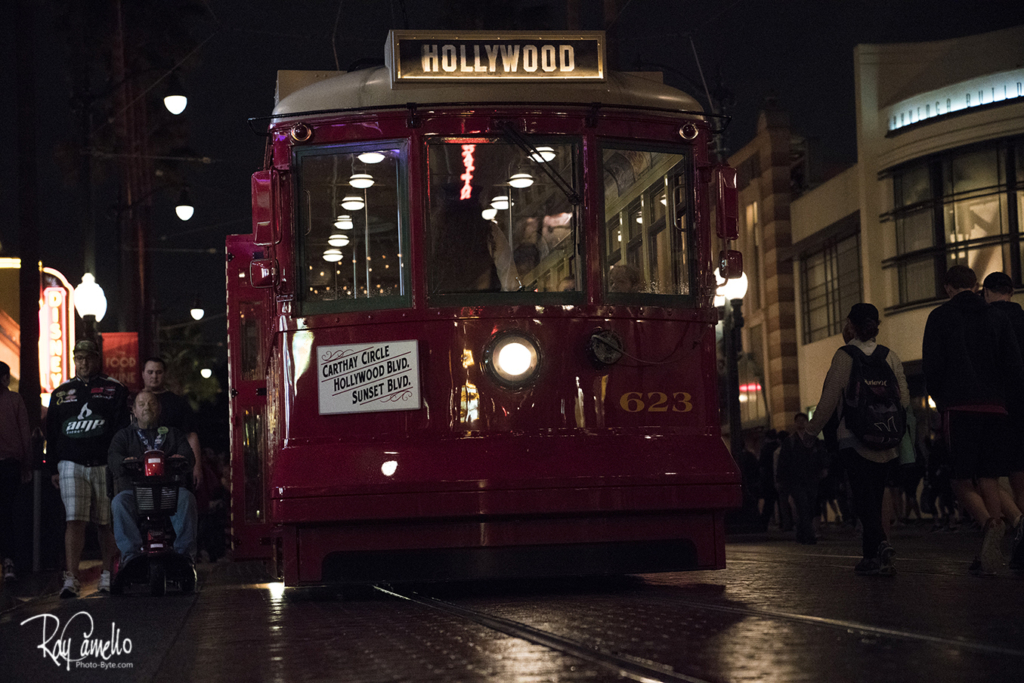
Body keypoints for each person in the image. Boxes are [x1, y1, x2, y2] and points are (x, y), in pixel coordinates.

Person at [923, 265, 1024, 575]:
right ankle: (989, 554)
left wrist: (941, 402)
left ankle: (989, 524)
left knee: (961, 479)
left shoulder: (940, 317)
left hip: (961, 405)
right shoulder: (996, 317)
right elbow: (1013, 365)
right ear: (977, 285)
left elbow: (932, 365)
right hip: (996, 407)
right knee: (990, 476)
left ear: (948, 287)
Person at [806, 303, 909, 575]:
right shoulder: (890, 356)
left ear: (850, 325)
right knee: (874, 497)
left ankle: (882, 544)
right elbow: (905, 400)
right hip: (887, 439)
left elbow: (828, 401)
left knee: (863, 499)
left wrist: (809, 431)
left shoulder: (845, 355)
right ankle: (870, 557)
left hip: (853, 438)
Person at [46, 339, 129, 597]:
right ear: (74, 360)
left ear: (97, 359)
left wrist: (119, 463)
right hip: (70, 464)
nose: (83, 362)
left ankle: (108, 573)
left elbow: (121, 429)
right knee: (75, 519)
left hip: (104, 464)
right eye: (79, 358)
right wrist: (53, 469)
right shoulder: (60, 393)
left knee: (106, 521)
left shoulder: (115, 389)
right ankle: (70, 578)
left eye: (88, 357)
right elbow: (52, 433)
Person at [108, 390, 198, 566]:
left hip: (168, 492)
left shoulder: (173, 434)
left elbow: (188, 455)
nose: (146, 408)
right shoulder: (123, 436)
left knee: (187, 498)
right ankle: (130, 555)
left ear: (159, 408)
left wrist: (180, 460)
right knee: (119, 502)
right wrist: (125, 463)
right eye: (141, 404)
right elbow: (113, 458)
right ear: (133, 410)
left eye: (151, 403)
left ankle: (185, 555)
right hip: (135, 493)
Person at [980, 271, 1024, 569]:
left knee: (993, 473)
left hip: (999, 404)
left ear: (986, 293)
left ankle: (1016, 532)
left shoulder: (986, 321)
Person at [141, 357, 203, 487]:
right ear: (143, 374)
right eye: (150, 372)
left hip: (173, 467)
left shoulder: (178, 402)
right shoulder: (132, 401)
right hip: (140, 467)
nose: (154, 376)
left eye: (158, 372)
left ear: (164, 374)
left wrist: (196, 467)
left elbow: (191, 435)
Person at [0, 361, 32, 581]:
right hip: (9, 465)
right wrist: (27, 465)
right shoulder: (14, 400)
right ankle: (9, 561)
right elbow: (25, 435)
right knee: (7, 513)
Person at [776, 413, 827, 544]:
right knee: (803, 505)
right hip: (796, 479)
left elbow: (821, 455)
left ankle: (801, 533)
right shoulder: (791, 441)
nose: (801, 423)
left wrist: (823, 468)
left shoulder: (813, 440)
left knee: (808, 506)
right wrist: (781, 479)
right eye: (798, 421)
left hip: (811, 478)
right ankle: (809, 535)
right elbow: (783, 461)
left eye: (803, 420)